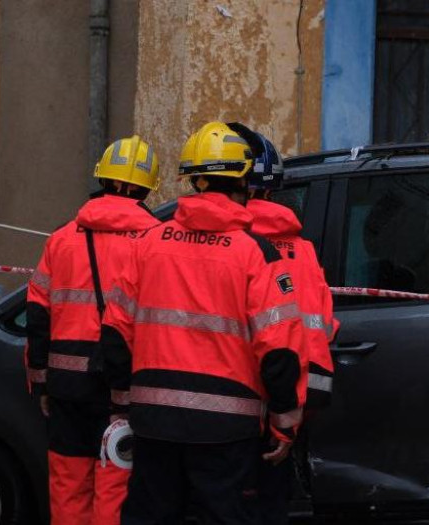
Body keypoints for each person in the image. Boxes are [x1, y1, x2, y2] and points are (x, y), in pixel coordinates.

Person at [100, 121, 307, 525]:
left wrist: (121, 403)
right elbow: (279, 347)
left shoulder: (147, 245)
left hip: (154, 422)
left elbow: (115, 333)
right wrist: (284, 422)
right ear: (244, 181)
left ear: (194, 181)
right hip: (226, 431)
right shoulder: (256, 255)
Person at [25, 135, 162, 525]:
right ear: (145, 186)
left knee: (68, 485)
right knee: (116, 482)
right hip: (125, 386)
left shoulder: (62, 239)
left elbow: (38, 313)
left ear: (104, 179)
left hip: (67, 385)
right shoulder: (154, 241)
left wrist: (42, 383)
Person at [227, 123, 337, 525]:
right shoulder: (303, 251)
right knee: (273, 505)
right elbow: (319, 328)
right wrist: (291, 416)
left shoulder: (232, 242)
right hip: (293, 402)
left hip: (235, 404)